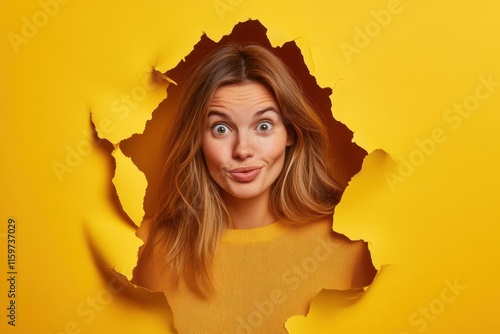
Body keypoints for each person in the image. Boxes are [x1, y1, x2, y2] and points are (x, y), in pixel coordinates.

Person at [132, 43, 376, 333]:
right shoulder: (145, 247)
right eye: (221, 129)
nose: (243, 150)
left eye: (263, 126)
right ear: (197, 139)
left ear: (291, 132)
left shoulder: (353, 244)